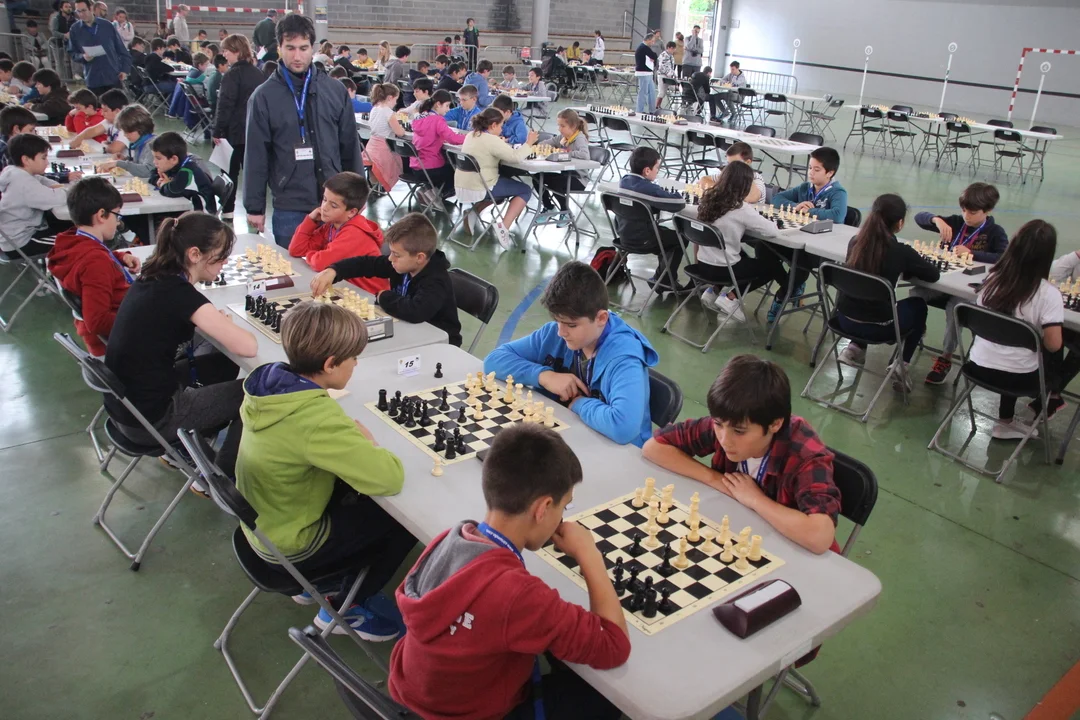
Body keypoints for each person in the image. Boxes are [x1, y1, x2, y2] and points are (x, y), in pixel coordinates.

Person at [389, 423, 631, 720]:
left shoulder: (450, 538)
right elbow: (613, 646)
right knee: (606, 699)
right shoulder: (518, 595)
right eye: (564, 507)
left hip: (413, 697)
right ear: (543, 508)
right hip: (470, 714)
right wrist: (589, 554)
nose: (561, 519)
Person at [236, 300, 415, 638]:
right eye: (353, 358)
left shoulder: (268, 386)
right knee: (403, 521)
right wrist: (370, 444)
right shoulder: (316, 420)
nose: (356, 363)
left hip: (261, 525)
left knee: (349, 489)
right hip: (291, 545)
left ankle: (316, 586)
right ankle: (346, 606)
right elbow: (389, 478)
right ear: (330, 364)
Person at [106, 212, 256, 481]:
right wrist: (221, 324)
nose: (224, 262)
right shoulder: (179, 293)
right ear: (195, 254)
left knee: (223, 362)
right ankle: (220, 476)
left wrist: (213, 322)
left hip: (126, 411)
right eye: (221, 256)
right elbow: (248, 346)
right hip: (153, 420)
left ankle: (192, 447)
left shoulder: (153, 276)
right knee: (258, 390)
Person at [643, 354, 842, 554]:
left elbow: (819, 537)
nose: (724, 439)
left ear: (775, 424)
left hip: (794, 552)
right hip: (741, 536)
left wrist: (755, 499)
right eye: (717, 424)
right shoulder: (730, 420)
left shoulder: (804, 454)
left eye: (739, 432)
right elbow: (654, 446)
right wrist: (717, 480)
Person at [485, 261, 657, 445]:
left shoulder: (624, 359)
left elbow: (623, 428)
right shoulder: (553, 334)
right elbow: (493, 361)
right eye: (557, 321)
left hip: (620, 452)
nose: (561, 332)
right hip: (571, 433)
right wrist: (545, 376)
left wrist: (579, 404)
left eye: (571, 325)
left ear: (601, 318)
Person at [244, 13, 362, 248]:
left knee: (338, 269)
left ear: (312, 48)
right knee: (292, 270)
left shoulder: (335, 91)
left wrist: (358, 195)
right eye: (290, 48)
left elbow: (349, 145)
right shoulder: (263, 97)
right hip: (290, 206)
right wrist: (254, 207)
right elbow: (256, 155)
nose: (297, 56)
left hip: (336, 204)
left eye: (303, 48)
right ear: (279, 48)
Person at [966, 220, 1063, 440]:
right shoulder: (1048, 294)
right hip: (1020, 380)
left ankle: (1006, 420)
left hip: (977, 367)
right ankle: (1053, 395)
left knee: (1008, 340)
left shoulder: (991, 280)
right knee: (1055, 348)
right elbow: (1053, 345)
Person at [834, 194, 941, 389]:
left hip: (843, 320)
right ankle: (902, 364)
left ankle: (854, 347)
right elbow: (933, 275)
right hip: (879, 329)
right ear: (900, 223)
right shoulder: (901, 252)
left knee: (863, 296)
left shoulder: (855, 242)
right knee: (918, 305)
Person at [311, 213, 463, 346]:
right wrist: (334, 270)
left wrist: (383, 296)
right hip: (407, 330)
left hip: (438, 343)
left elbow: (416, 311)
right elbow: (366, 264)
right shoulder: (403, 264)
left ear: (419, 258)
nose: (390, 258)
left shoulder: (436, 281)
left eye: (396, 254)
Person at [912, 182, 1009, 385]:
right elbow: (919, 217)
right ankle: (916, 329)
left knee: (954, 309)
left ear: (988, 210)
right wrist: (936, 220)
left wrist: (973, 253)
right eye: (964, 210)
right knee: (916, 293)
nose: (966, 215)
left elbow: (1003, 257)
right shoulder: (956, 222)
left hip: (966, 289)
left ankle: (946, 356)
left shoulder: (995, 232)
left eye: (972, 212)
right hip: (943, 281)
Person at [47, 177, 139, 358]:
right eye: (117, 215)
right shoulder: (95, 262)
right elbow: (98, 321)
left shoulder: (72, 241)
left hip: (113, 330)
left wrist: (120, 257)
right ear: (101, 215)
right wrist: (144, 318)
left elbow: (90, 258)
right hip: (119, 344)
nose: (118, 223)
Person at [692, 161, 788, 322]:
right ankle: (731, 297)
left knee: (740, 257)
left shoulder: (707, 199)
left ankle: (713, 291)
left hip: (702, 265)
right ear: (745, 186)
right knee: (771, 267)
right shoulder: (741, 208)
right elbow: (772, 231)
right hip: (724, 270)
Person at [767, 146, 848, 321]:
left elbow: (837, 216)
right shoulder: (805, 187)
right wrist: (796, 207)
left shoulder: (837, 192)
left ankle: (782, 294)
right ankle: (791, 287)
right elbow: (777, 199)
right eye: (810, 168)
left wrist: (809, 212)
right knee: (764, 247)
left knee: (801, 260)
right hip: (797, 239)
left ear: (830, 173)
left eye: (817, 169)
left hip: (819, 249)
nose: (811, 173)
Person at [289, 171, 389, 297]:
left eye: (333, 205)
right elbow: (296, 250)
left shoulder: (355, 233)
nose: (324, 207)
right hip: (346, 290)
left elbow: (320, 263)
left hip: (368, 297)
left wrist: (311, 255)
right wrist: (310, 220)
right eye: (324, 199)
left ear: (351, 212)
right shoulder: (332, 224)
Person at [455, 108, 539, 249]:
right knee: (525, 190)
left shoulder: (471, 134)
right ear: (493, 125)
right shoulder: (492, 140)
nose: (502, 129)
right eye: (501, 126)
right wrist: (529, 143)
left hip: (462, 185)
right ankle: (503, 227)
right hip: (481, 187)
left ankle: (473, 212)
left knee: (502, 185)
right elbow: (515, 157)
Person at [616, 146, 686, 292]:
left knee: (664, 234)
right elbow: (678, 204)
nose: (658, 171)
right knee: (680, 239)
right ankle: (663, 281)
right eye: (657, 168)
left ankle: (663, 278)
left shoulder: (624, 181)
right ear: (647, 171)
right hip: (643, 240)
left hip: (623, 235)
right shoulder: (649, 189)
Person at [212, 33, 262, 217]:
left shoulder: (231, 75)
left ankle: (228, 210)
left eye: (226, 50)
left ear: (237, 51)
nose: (224, 54)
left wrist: (218, 130)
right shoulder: (259, 74)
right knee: (253, 175)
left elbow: (225, 105)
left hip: (233, 133)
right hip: (254, 133)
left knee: (229, 173)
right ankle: (255, 210)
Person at [0, 134, 72, 257]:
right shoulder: (24, 183)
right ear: (26, 160)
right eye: (43, 158)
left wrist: (57, 187)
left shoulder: (14, 171)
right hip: (22, 242)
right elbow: (56, 198)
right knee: (76, 242)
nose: (47, 162)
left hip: (20, 234)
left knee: (71, 227)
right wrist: (72, 191)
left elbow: (41, 180)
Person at [409, 89, 464, 202]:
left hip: (416, 167)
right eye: (447, 106)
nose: (448, 109)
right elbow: (453, 139)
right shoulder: (437, 120)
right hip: (430, 168)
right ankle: (434, 195)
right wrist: (470, 137)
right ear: (438, 104)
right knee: (456, 172)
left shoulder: (420, 117)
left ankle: (428, 190)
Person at [1045, 250, 1080, 419]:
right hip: (1072, 319)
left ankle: (1051, 391)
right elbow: (1053, 273)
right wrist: (1076, 255)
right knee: (1052, 330)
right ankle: (1052, 392)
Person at [537, 108, 590, 216]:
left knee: (554, 183)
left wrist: (566, 152)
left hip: (578, 179)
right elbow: (544, 143)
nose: (559, 129)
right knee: (538, 178)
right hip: (565, 174)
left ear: (573, 126)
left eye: (562, 126)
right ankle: (549, 207)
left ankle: (565, 211)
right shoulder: (563, 137)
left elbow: (585, 155)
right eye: (558, 125)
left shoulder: (579, 138)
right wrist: (545, 147)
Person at [152, 131, 217, 213]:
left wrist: (164, 184)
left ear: (174, 159)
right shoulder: (175, 165)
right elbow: (153, 174)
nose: (154, 162)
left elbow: (171, 191)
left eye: (158, 158)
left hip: (202, 217)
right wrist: (161, 181)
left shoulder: (188, 171)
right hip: (190, 212)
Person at [361, 82, 405, 194]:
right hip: (383, 150)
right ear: (390, 98)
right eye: (396, 100)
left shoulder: (374, 108)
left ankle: (374, 185)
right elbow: (399, 133)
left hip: (370, 149)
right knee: (400, 160)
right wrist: (403, 128)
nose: (396, 103)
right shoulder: (389, 112)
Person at [97, 102, 155, 179]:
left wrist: (119, 163)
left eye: (127, 132)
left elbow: (147, 171)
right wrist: (126, 159)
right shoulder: (139, 142)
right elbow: (140, 163)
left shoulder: (153, 145)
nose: (125, 135)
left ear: (140, 128)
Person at [701, 141, 765, 205]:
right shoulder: (730, 174)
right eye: (729, 164)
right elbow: (703, 180)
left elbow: (752, 198)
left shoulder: (756, 179)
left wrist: (725, 192)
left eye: (735, 164)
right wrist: (721, 190)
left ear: (747, 162)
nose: (730, 167)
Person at [634, 30, 659, 113]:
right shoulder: (643, 47)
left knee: (651, 92)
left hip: (648, 73)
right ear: (648, 40)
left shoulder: (645, 48)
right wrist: (653, 57)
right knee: (643, 93)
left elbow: (654, 56)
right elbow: (654, 55)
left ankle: (652, 110)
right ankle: (639, 111)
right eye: (652, 41)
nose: (653, 43)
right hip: (643, 73)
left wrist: (653, 57)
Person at [657, 41, 677, 109]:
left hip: (669, 76)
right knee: (661, 92)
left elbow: (671, 67)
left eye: (674, 48)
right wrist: (669, 74)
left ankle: (659, 106)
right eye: (672, 48)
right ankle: (657, 106)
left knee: (666, 91)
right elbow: (662, 67)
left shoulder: (671, 56)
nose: (673, 50)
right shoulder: (663, 55)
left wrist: (673, 74)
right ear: (668, 48)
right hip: (662, 75)